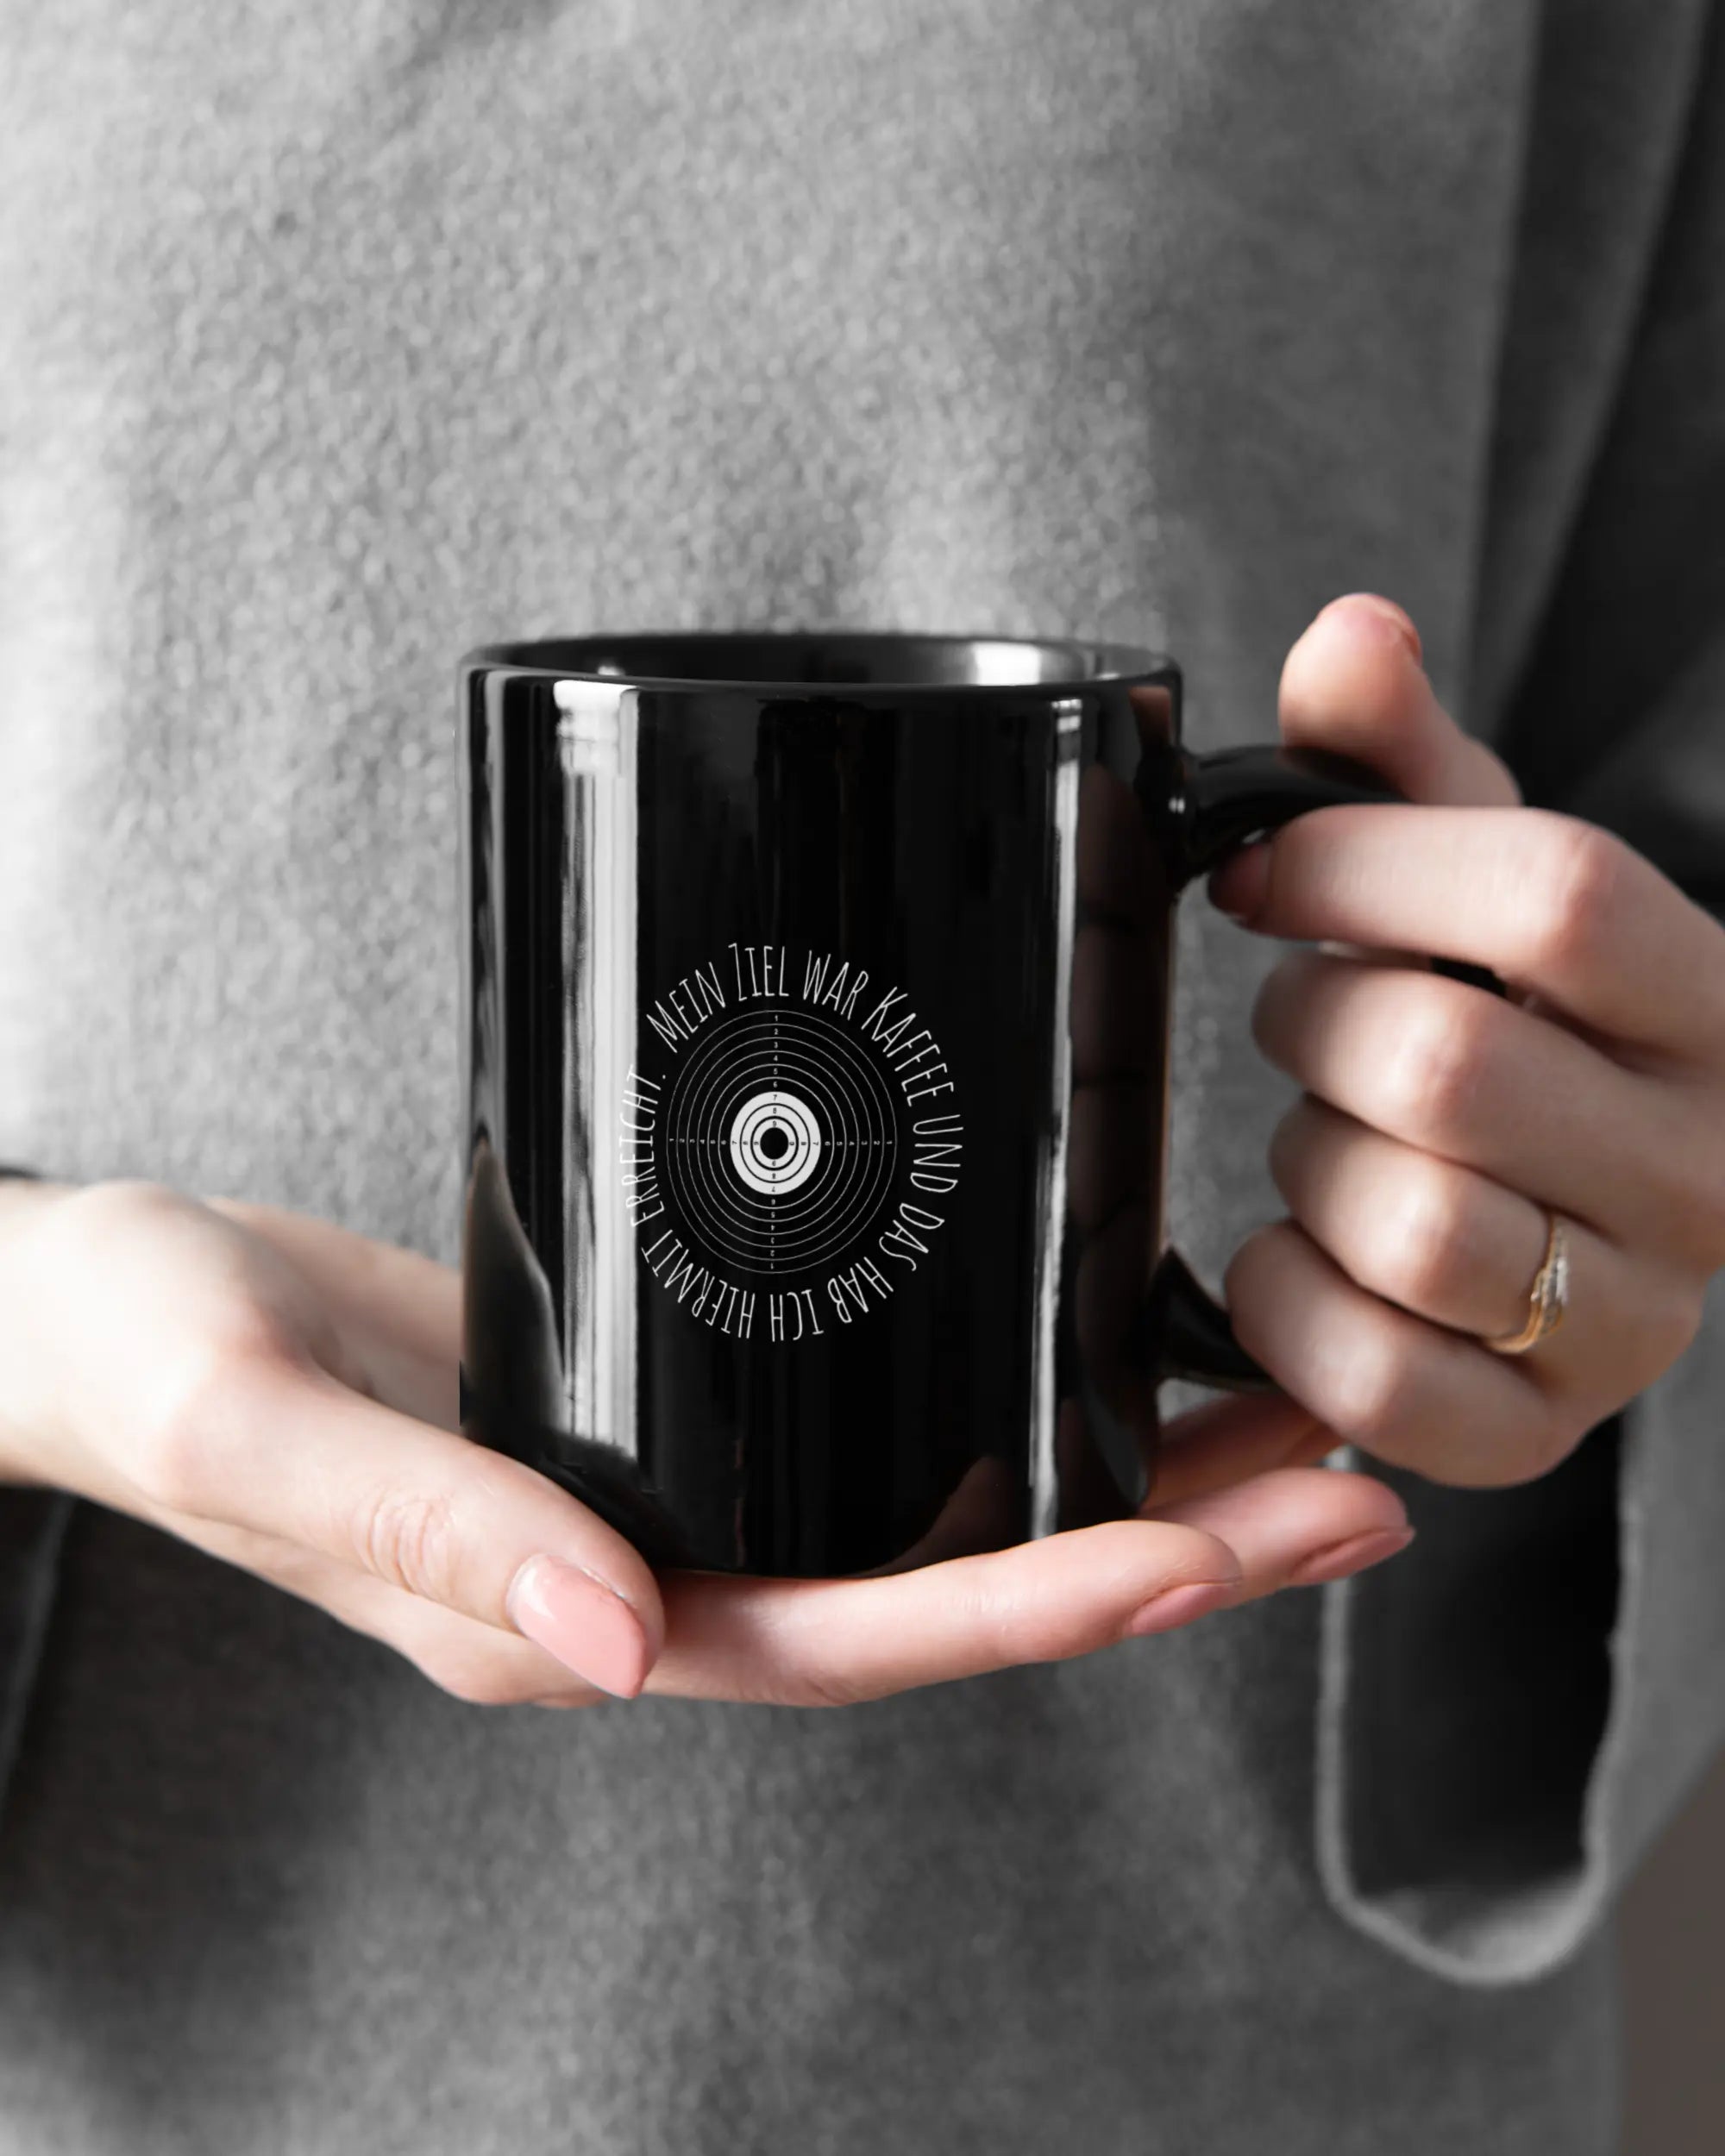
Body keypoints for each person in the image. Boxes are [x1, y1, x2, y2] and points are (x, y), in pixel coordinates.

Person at [0, 3, 1721, 2150]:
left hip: (1182, 2043)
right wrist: (24, 1324)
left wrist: (1583, 1229)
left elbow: (1673, 908)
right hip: (160, 2027)